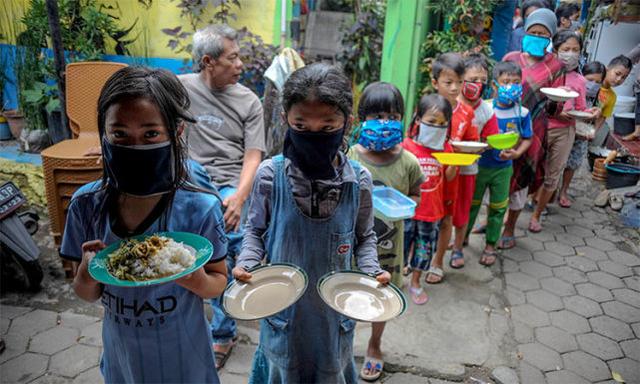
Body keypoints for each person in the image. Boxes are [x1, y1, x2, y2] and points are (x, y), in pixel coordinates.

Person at [61, 67, 229, 383]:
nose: (135, 146)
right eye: (120, 134)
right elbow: (86, 293)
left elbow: (219, 280)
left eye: (151, 134)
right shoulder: (87, 205)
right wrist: (85, 272)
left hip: (185, 360)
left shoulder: (200, 207)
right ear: (103, 133)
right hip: (123, 359)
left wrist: (197, 280)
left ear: (176, 130)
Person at [232, 63, 391, 383]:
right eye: (301, 126)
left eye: (328, 126)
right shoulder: (269, 175)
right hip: (283, 319)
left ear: (347, 122)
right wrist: (246, 263)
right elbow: (255, 231)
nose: (314, 135)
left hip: (334, 321)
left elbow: (365, 236)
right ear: (285, 119)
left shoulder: (358, 179)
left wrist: (373, 273)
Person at [179, 24, 265, 368]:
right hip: (188, 180)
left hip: (229, 183)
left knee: (225, 231)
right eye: (233, 57)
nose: (241, 64)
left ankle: (223, 332)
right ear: (208, 61)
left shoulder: (249, 100)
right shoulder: (179, 89)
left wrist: (240, 198)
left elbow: (253, 156)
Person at [347, 82, 423, 381]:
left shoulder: (409, 163)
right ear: (361, 119)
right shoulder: (350, 157)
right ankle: (343, 343)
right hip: (351, 246)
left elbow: (416, 195)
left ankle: (375, 345)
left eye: (392, 116)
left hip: (390, 248)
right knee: (348, 294)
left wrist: (404, 205)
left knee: (382, 298)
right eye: (377, 115)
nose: (385, 122)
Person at [500, 8, 564, 250]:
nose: (536, 36)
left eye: (542, 33)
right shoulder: (511, 59)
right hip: (504, 124)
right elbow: (496, 89)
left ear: (550, 38)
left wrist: (557, 103)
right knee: (499, 173)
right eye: (532, 31)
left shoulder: (556, 65)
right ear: (525, 32)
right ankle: (493, 220)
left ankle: (510, 226)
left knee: (521, 178)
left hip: (534, 131)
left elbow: (555, 108)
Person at [529, 31, 599, 232]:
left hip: (565, 132)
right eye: (566, 49)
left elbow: (581, 107)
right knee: (532, 170)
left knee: (553, 174)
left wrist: (590, 112)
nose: (570, 54)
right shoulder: (546, 72)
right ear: (556, 50)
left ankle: (537, 215)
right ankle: (525, 202)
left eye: (575, 50)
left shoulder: (579, 80)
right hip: (542, 127)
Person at [468, 62, 532, 266]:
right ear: (495, 85)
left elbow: (528, 138)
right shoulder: (485, 108)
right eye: (505, 82)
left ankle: (490, 245)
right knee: (472, 205)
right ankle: (462, 240)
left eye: (515, 82)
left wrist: (516, 154)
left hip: (504, 170)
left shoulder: (523, 112)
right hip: (480, 166)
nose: (511, 86)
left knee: (498, 207)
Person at [402, 94, 457, 304]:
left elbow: (448, 177)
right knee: (402, 246)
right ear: (418, 120)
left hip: (432, 213)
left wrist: (454, 165)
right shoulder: (406, 147)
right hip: (406, 210)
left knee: (425, 249)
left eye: (443, 123)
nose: (437, 127)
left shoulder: (446, 148)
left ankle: (416, 282)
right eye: (432, 122)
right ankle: (398, 277)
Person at [450, 53, 499, 268]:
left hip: (469, 169)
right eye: (473, 79)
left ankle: (458, 248)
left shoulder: (487, 111)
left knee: (463, 210)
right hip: (445, 167)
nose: (478, 85)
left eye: (483, 80)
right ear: (461, 80)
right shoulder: (448, 105)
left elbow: (491, 140)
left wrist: (479, 145)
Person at [425, 52, 469, 283]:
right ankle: (416, 259)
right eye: (448, 82)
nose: (455, 88)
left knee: (445, 220)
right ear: (435, 83)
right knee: (420, 218)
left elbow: (472, 144)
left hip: (452, 178)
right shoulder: (426, 109)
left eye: (459, 82)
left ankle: (437, 261)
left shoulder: (466, 114)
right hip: (427, 176)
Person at [559, 61, 606, 207]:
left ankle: (563, 192)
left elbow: (599, 117)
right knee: (557, 161)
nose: (593, 84)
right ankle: (548, 190)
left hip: (582, 134)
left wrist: (592, 132)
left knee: (572, 163)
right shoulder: (572, 87)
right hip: (565, 129)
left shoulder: (600, 96)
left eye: (598, 82)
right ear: (581, 76)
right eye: (590, 79)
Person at [591, 55, 633, 147]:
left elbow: (602, 117)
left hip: (586, 129)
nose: (619, 79)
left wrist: (593, 132)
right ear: (607, 69)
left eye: (623, 77)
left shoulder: (612, 96)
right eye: (617, 74)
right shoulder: (592, 84)